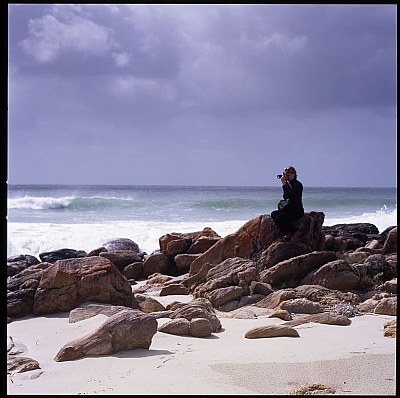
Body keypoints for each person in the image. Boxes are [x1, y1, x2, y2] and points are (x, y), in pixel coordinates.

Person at [271, 165, 304, 236]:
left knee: (279, 219)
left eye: (288, 175)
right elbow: (285, 196)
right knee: (273, 214)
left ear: (293, 174)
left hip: (297, 209)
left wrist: (284, 184)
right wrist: (285, 185)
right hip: (290, 207)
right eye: (286, 175)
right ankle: (286, 232)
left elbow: (288, 195)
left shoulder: (297, 185)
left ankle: (293, 232)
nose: (287, 177)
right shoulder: (290, 184)